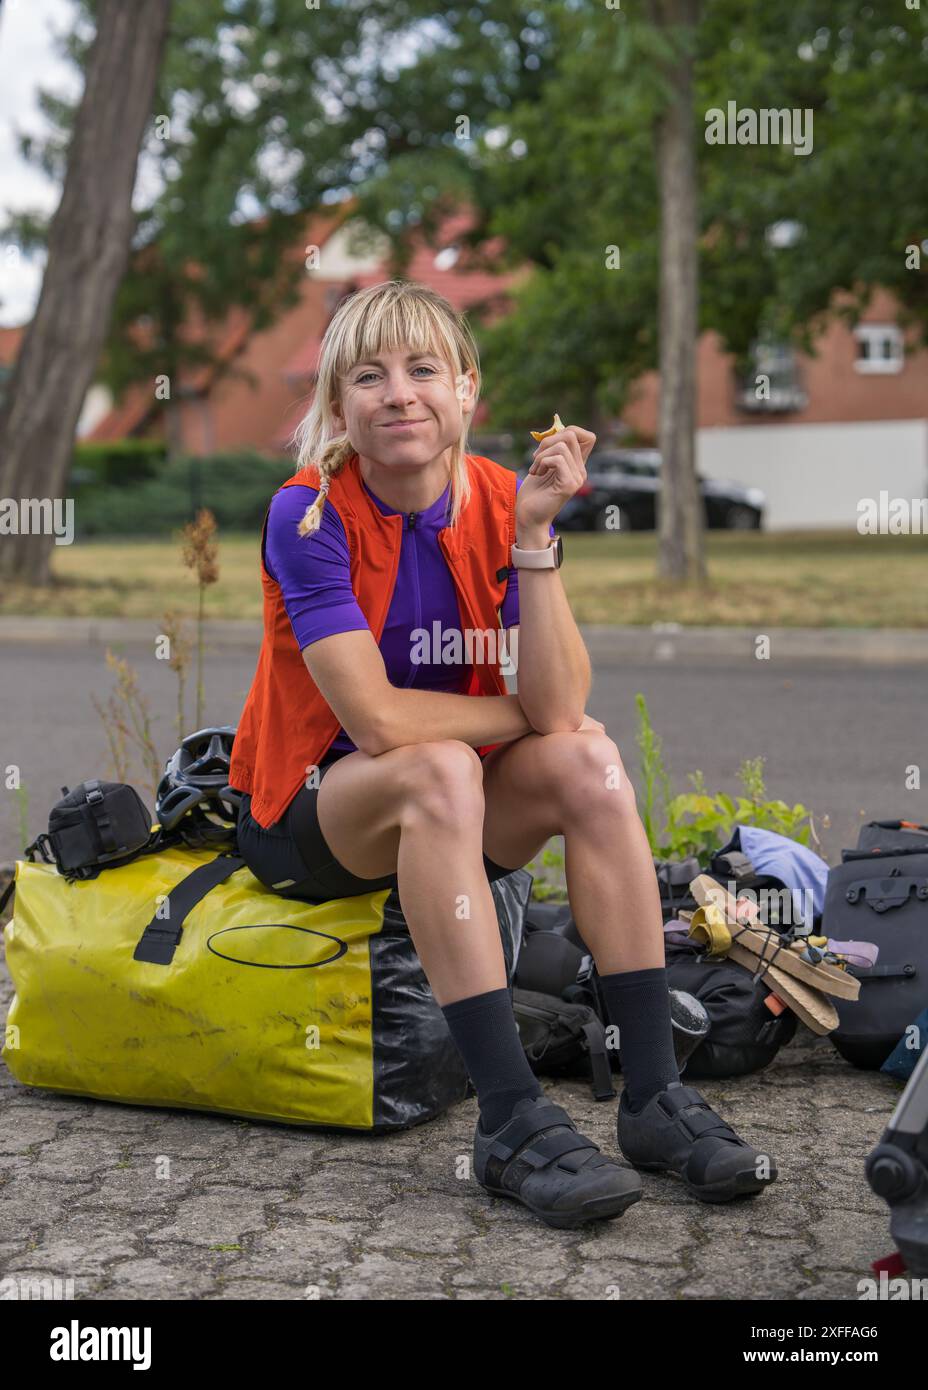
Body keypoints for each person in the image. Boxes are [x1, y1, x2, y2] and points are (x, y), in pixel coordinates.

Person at [229, 279, 777, 1230]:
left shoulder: (502, 499)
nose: (398, 393)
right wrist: (524, 717)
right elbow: (381, 728)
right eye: (369, 376)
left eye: (423, 369)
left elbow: (561, 713)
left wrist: (533, 538)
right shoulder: (307, 514)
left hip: (456, 797)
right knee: (443, 765)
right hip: (312, 809)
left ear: (468, 390)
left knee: (592, 764)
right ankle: (512, 1120)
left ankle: (651, 1096)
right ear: (337, 407)